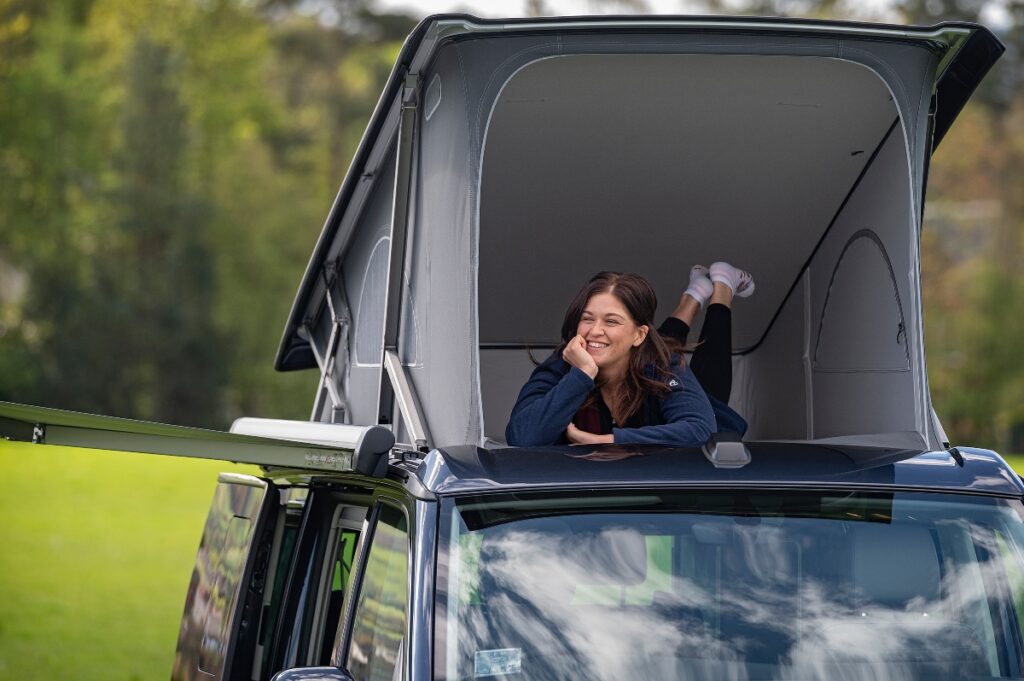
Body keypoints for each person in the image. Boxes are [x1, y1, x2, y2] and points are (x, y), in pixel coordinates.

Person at [505, 265, 751, 447]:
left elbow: (700, 430)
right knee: (656, 347)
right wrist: (580, 376)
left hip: (662, 367)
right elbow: (522, 438)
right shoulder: (563, 365)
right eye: (587, 318)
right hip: (642, 348)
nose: (594, 331)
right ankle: (694, 295)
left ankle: (722, 287)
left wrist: (609, 440)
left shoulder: (663, 366)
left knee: (690, 373)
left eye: (611, 321)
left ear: (639, 334)